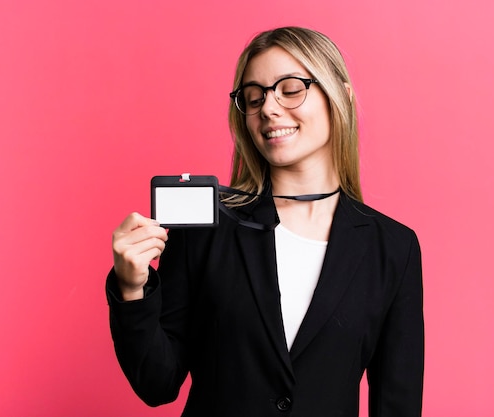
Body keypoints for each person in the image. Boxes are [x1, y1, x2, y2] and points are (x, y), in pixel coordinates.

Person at [107, 26, 424, 417]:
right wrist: (130, 287)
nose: (269, 109)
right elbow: (157, 382)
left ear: (340, 95)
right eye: (253, 98)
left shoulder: (393, 248)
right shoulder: (207, 231)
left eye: (290, 89)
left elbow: (398, 403)